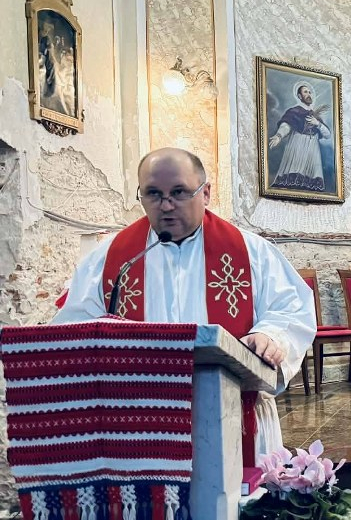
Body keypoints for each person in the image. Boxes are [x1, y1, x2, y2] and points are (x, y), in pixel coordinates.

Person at [53, 148, 316, 459]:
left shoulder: (251, 252)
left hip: (235, 416)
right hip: (142, 424)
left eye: (178, 192)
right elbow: (72, 329)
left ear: (205, 193)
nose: (166, 205)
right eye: (153, 193)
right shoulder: (111, 258)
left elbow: (291, 308)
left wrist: (270, 335)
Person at [268, 82, 331, 192]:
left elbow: (327, 135)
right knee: (293, 181)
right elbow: (286, 125)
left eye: (310, 92)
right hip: (298, 147)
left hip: (313, 151)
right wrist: (279, 136)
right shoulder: (294, 111)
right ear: (299, 96)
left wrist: (318, 123)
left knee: (311, 187)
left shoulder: (315, 115)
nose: (309, 94)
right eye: (305, 92)